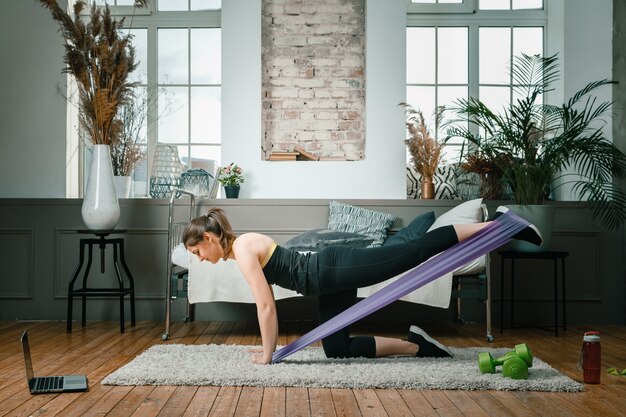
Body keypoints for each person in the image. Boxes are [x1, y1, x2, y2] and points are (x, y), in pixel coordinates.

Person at [182, 206, 541, 365]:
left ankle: (497, 226)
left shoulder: (243, 247)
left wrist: (267, 354)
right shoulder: (238, 250)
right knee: (336, 349)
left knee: (410, 251)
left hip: (333, 267)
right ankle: (417, 347)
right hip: (327, 284)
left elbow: (266, 305)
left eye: (198, 250)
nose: (199, 258)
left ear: (212, 238)